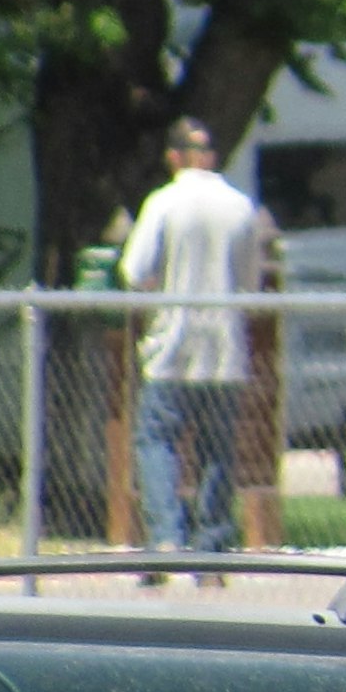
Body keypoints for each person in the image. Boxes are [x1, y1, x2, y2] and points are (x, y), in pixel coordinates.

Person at [116, 119, 275, 562]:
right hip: (225, 350)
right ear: (212, 156)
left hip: (170, 347)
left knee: (156, 440)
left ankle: (167, 539)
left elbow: (134, 272)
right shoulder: (241, 207)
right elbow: (250, 283)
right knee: (217, 450)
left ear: (172, 156)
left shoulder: (163, 204)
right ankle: (211, 549)